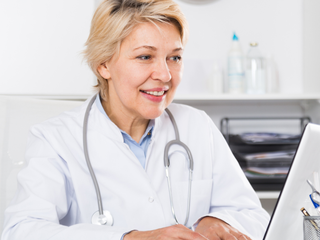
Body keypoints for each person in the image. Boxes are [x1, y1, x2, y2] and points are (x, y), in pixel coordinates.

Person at [1, 0, 270, 239]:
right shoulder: (55, 139)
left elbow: (253, 215)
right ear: (104, 64)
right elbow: (21, 230)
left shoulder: (197, 126)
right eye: (145, 56)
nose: (165, 75)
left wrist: (216, 221)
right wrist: (129, 238)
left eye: (174, 57)